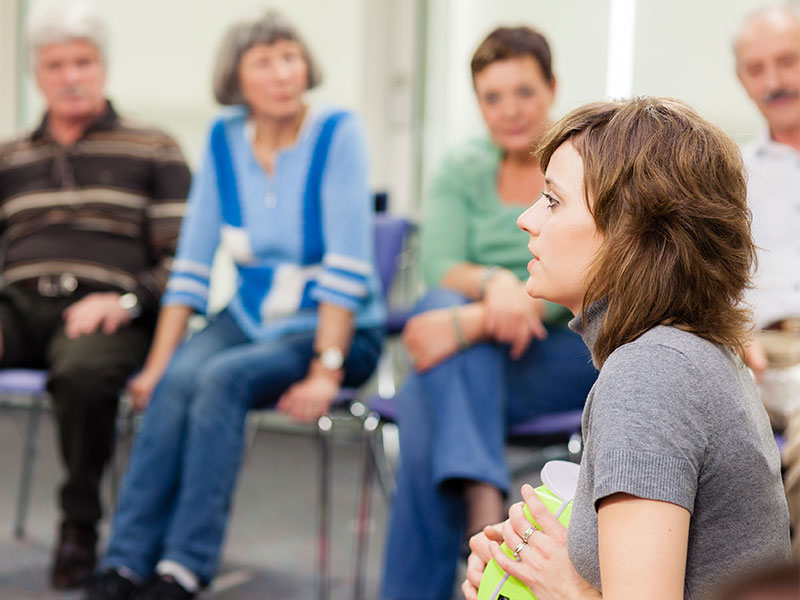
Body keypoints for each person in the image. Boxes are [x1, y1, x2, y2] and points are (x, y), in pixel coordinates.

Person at [84, 9, 384, 600]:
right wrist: (156, 363)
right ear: (236, 77)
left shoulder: (337, 132)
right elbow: (193, 264)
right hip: (246, 319)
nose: (283, 73)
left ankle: (184, 566)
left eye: (291, 57)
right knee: (175, 379)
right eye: (265, 61)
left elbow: (348, 265)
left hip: (333, 330)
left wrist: (326, 370)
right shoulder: (224, 138)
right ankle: (123, 561)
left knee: (218, 380)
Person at [463, 97, 792, 600]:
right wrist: (527, 565)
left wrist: (561, 586)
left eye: (552, 200)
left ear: (631, 233)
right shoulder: (688, 354)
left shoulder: (651, 372)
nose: (526, 220)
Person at [381, 27, 597, 600]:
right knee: (439, 332)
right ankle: (482, 494)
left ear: (552, 87)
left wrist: (476, 319)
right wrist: (494, 283)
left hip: (567, 351)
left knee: (432, 377)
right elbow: (439, 263)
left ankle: (473, 513)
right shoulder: (464, 167)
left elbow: (591, 270)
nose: (509, 111)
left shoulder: (583, 163)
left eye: (523, 91)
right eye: (492, 97)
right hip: (484, 368)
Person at [0, 0, 190, 589]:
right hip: (18, 305)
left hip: (108, 311)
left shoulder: (153, 146)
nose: (71, 76)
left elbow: (185, 261)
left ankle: (79, 524)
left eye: (83, 61)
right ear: (38, 74)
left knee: (84, 373)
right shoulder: (10, 157)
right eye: (56, 65)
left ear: (103, 68)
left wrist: (127, 301)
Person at [734, 4, 800, 557]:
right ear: (740, 79)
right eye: (757, 69)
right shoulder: (728, 175)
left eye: (788, 62)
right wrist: (729, 333)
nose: (774, 81)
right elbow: (705, 280)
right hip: (762, 351)